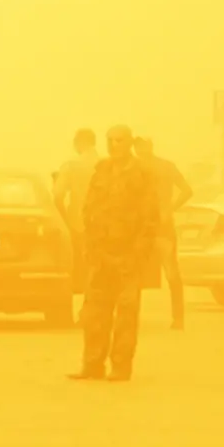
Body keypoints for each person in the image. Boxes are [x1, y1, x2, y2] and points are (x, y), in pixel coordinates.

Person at [70, 125, 159, 382]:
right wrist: (91, 245)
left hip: (128, 254)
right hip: (101, 253)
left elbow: (150, 217)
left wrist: (137, 253)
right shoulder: (102, 169)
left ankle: (121, 366)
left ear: (129, 142)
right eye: (109, 140)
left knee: (126, 314)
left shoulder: (142, 173)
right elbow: (90, 208)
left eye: (119, 140)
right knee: (94, 313)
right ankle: (92, 365)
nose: (113, 144)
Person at [133, 136, 193, 330]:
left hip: (141, 227)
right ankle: (179, 318)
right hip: (163, 224)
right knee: (172, 272)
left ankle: (132, 318)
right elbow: (187, 191)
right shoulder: (167, 166)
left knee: (134, 273)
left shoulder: (133, 168)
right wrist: (171, 208)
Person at [54, 128, 100, 293]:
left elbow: (58, 195)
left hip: (78, 223)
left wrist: (64, 220)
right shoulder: (108, 164)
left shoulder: (71, 166)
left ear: (80, 142)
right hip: (105, 224)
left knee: (80, 268)